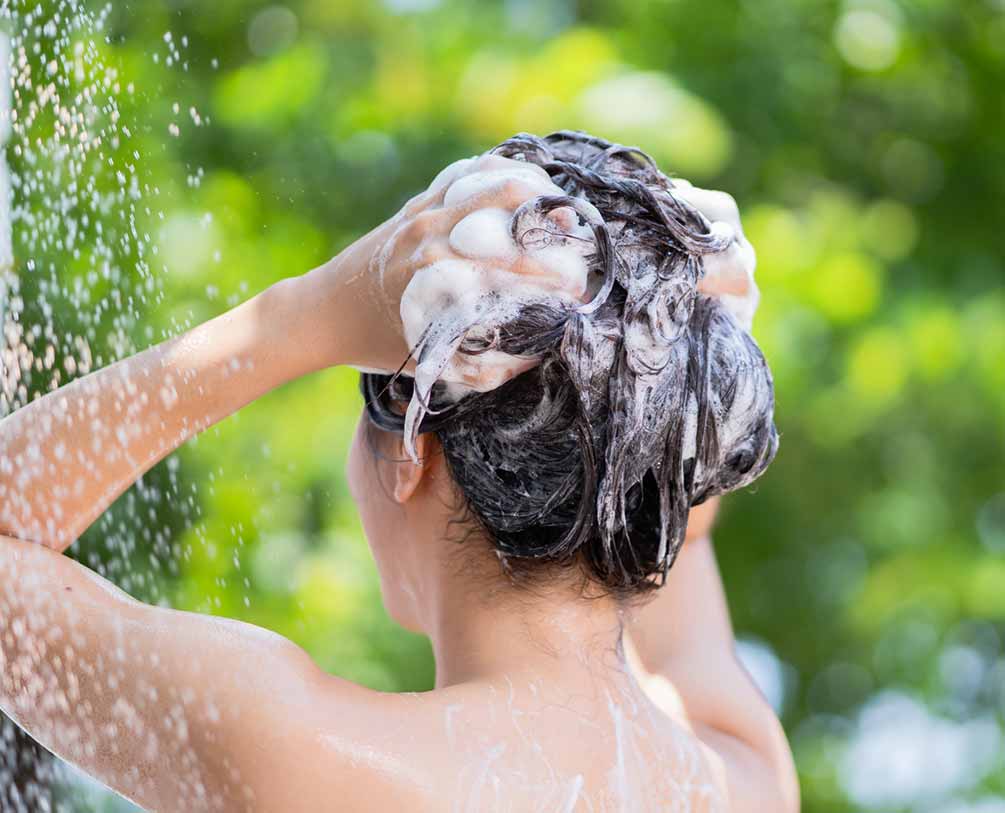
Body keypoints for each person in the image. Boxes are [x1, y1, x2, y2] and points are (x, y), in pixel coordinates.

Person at [0, 131, 799, 812]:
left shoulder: (306, 753)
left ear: (410, 450)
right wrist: (666, 354)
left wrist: (304, 316)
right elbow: (675, 522)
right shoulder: (740, 776)